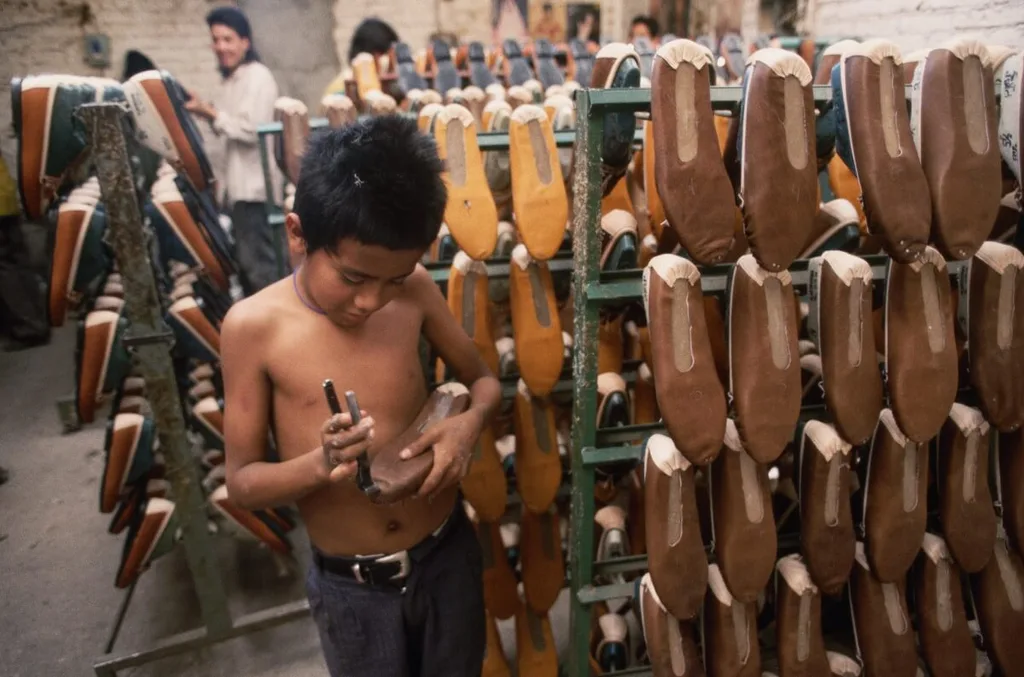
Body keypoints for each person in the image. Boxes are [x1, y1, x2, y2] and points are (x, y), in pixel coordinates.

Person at [220, 116, 501, 677]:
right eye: (352, 279)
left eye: (393, 280)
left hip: (446, 558)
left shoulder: (416, 289)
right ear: (298, 234)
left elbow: (484, 379)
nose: (372, 301)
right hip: (353, 589)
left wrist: (469, 426)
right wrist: (319, 463)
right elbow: (243, 483)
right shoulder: (253, 327)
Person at [185, 6, 284, 296]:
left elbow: (252, 129)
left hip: (256, 193)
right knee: (248, 271)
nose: (220, 47)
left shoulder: (258, 77)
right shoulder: (232, 80)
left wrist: (211, 113)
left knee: (262, 272)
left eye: (228, 39)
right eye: (216, 40)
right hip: (238, 194)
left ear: (245, 42)